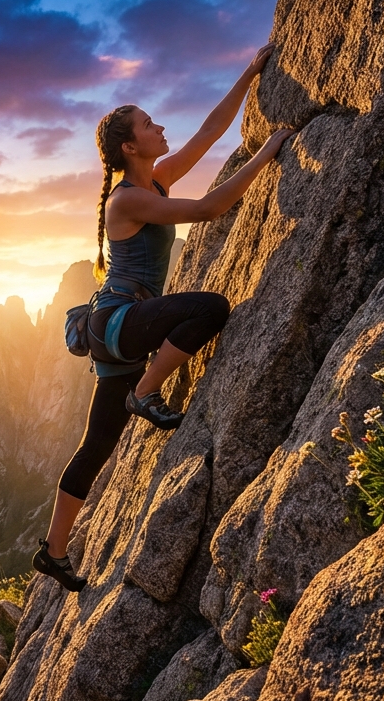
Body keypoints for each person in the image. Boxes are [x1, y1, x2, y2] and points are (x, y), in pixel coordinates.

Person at [32, 44, 296, 592]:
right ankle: (145, 393)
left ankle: (52, 554)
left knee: (96, 447)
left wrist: (248, 74)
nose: (160, 127)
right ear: (129, 145)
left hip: (117, 330)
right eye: (149, 125)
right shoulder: (127, 200)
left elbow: (207, 133)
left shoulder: (153, 179)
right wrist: (269, 152)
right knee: (211, 308)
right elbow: (205, 210)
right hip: (119, 323)